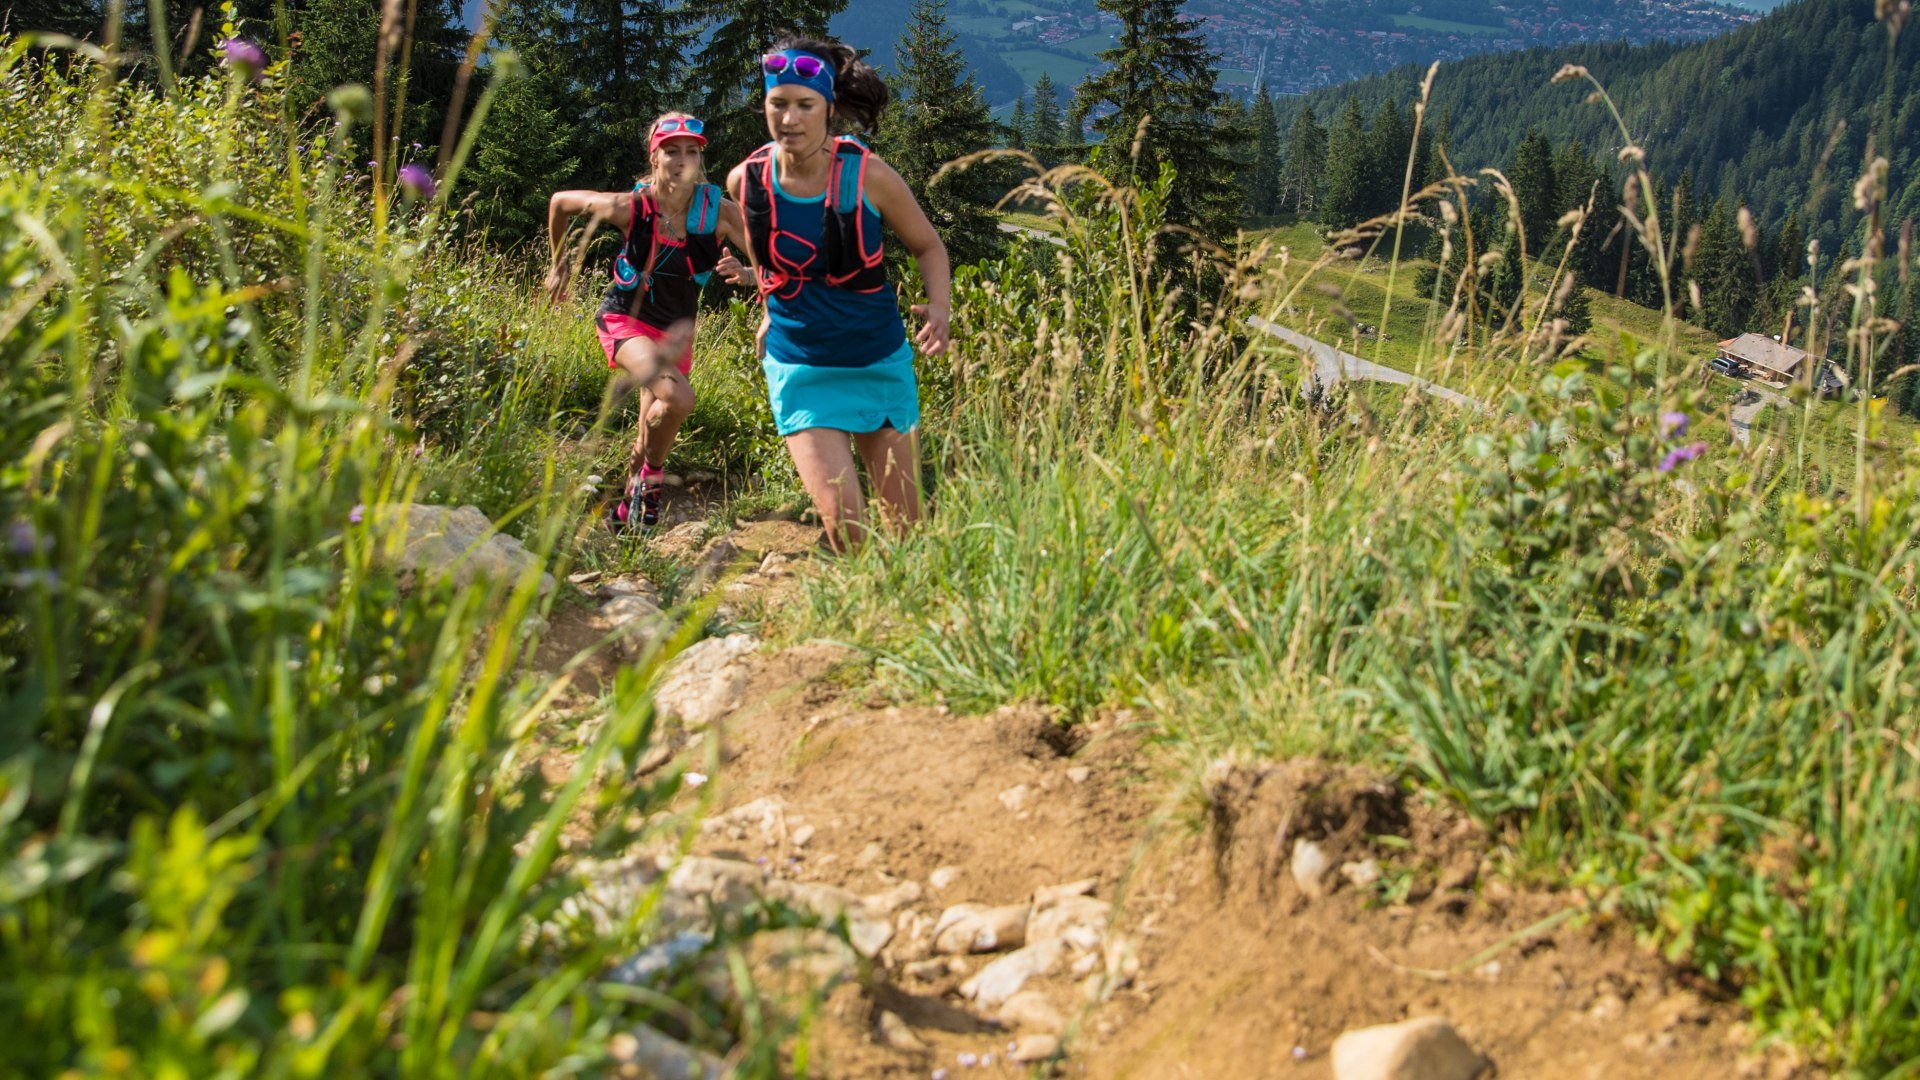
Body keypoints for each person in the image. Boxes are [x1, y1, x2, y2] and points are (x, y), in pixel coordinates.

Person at [718, 35, 950, 552]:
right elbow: (765, 254)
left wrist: (940, 307)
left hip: (876, 362)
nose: (790, 119)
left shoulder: (868, 176)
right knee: (847, 530)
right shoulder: (747, 180)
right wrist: (766, 309)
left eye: (805, 105)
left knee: (906, 533)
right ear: (765, 106)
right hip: (800, 366)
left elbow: (928, 246)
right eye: (779, 104)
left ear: (828, 108)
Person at [545, 112, 751, 530]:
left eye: (691, 151)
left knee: (649, 433)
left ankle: (624, 515)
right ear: (654, 157)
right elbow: (560, 202)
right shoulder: (631, 207)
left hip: (676, 334)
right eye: (671, 151)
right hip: (625, 321)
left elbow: (774, 263)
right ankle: (651, 487)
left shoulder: (720, 213)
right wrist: (559, 264)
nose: (682, 160)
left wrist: (748, 275)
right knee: (679, 400)